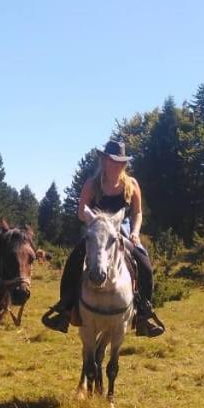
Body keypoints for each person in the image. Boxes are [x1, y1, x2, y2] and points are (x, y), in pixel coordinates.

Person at [41, 139, 164, 337]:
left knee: (144, 262)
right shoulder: (92, 184)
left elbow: (137, 213)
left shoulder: (131, 184)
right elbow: (81, 212)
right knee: (74, 260)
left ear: (123, 164)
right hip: (97, 229)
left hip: (122, 228)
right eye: (110, 160)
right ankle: (64, 309)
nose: (114, 164)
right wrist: (95, 220)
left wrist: (135, 232)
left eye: (118, 161)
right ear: (104, 161)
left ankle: (143, 314)